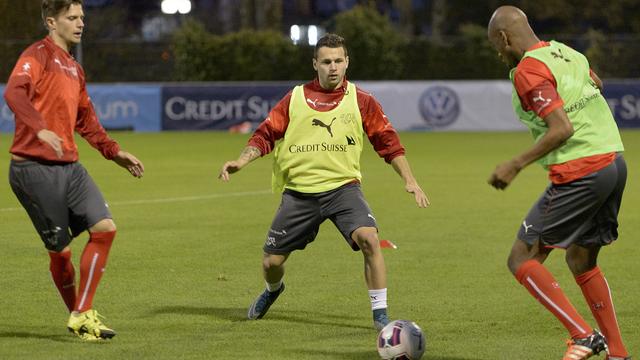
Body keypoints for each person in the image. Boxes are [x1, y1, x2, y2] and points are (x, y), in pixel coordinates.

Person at [218, 33, 429, 330]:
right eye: (327, 61)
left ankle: (381, 317)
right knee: (271, 264)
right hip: (299, 194)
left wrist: (411, 181)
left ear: (347, 63)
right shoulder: (294, 98)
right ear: (315, 63)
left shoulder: (362, 101)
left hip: (344, 190)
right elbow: (265, 134)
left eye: (339, 61)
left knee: (369, 239)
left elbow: (389, 143)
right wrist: (241, 160)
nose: (333, 67)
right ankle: (273, 291)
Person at [487, 6, 630, 360]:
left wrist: (515, 164)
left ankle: (582, 335)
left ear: (504, 38)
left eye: (495, 45)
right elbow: (596, 82)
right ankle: (618, 353)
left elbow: (562, 128)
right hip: (614, 163)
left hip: (581, 170)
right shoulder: (567, 52)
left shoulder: (528, 70)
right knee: (581, 260)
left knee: (521, 258)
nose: (497, 53)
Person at [4, 0, 144, 341]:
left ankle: (82, 312)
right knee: (61, 253)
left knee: (105, 228)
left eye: (82, 17)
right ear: (52, 22)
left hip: (70, 167)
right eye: (72, 17)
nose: (80, 23)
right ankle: (79, 316)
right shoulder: (36, 55)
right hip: (34, 170)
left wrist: (113, 152)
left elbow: (86, 121)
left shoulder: (74, 68)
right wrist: (38, 127)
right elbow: (14, 92)